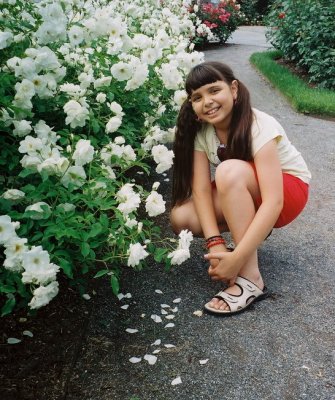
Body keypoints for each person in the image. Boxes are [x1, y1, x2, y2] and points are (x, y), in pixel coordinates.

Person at [170, 61, 311, 316]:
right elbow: (200, 190)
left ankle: (251, 279)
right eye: (197, 97)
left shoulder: (259, 124)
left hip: (288, 191)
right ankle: (249, 234)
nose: (208, 101)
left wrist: (235, 260)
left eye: (214, 90)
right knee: (182, 217)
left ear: (233, 89)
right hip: (245, 186)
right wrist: (215, 245)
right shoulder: (203, 132)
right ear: (193, 106)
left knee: (229, 171)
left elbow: (273, 202)